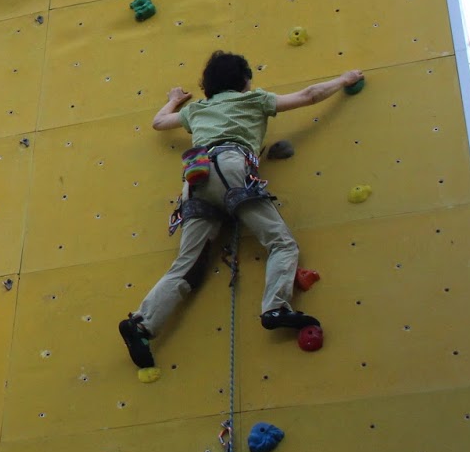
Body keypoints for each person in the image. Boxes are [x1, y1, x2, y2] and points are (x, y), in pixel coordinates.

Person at [118, 51, 364, 369]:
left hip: (196, 176)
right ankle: (275, 307)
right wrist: (344, 80)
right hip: (232, 166)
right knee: (281, 243)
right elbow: (308, 96)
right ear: (245, 80)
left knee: (186, 265)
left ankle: (141, 324)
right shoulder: (254, 100)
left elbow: (159, 122)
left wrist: (174, 100)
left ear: (208, 86)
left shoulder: (199, 109)